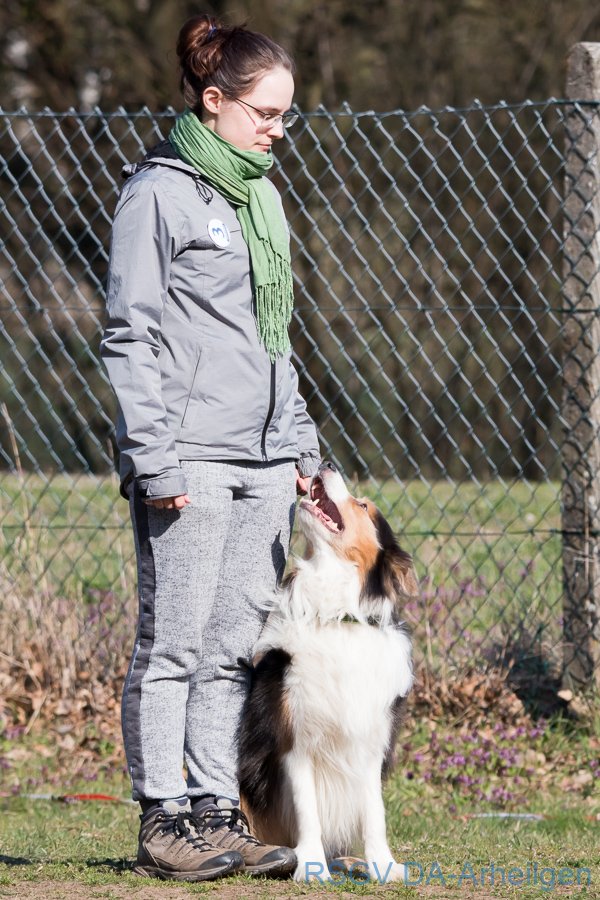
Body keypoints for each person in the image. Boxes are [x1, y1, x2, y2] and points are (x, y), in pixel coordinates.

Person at [100, 13, 321, 883]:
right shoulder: (158, 193)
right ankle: (163, 820)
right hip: (187, 455)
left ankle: (214, 812)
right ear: (214, 100)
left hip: (264, 462)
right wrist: (151, 456)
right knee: (174, 646)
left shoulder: (261, 198)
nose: (277, 131)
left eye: (285, 115)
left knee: (232, 650)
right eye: (265, 113)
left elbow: (274, 340)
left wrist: (301, 448)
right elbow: (130, 335)